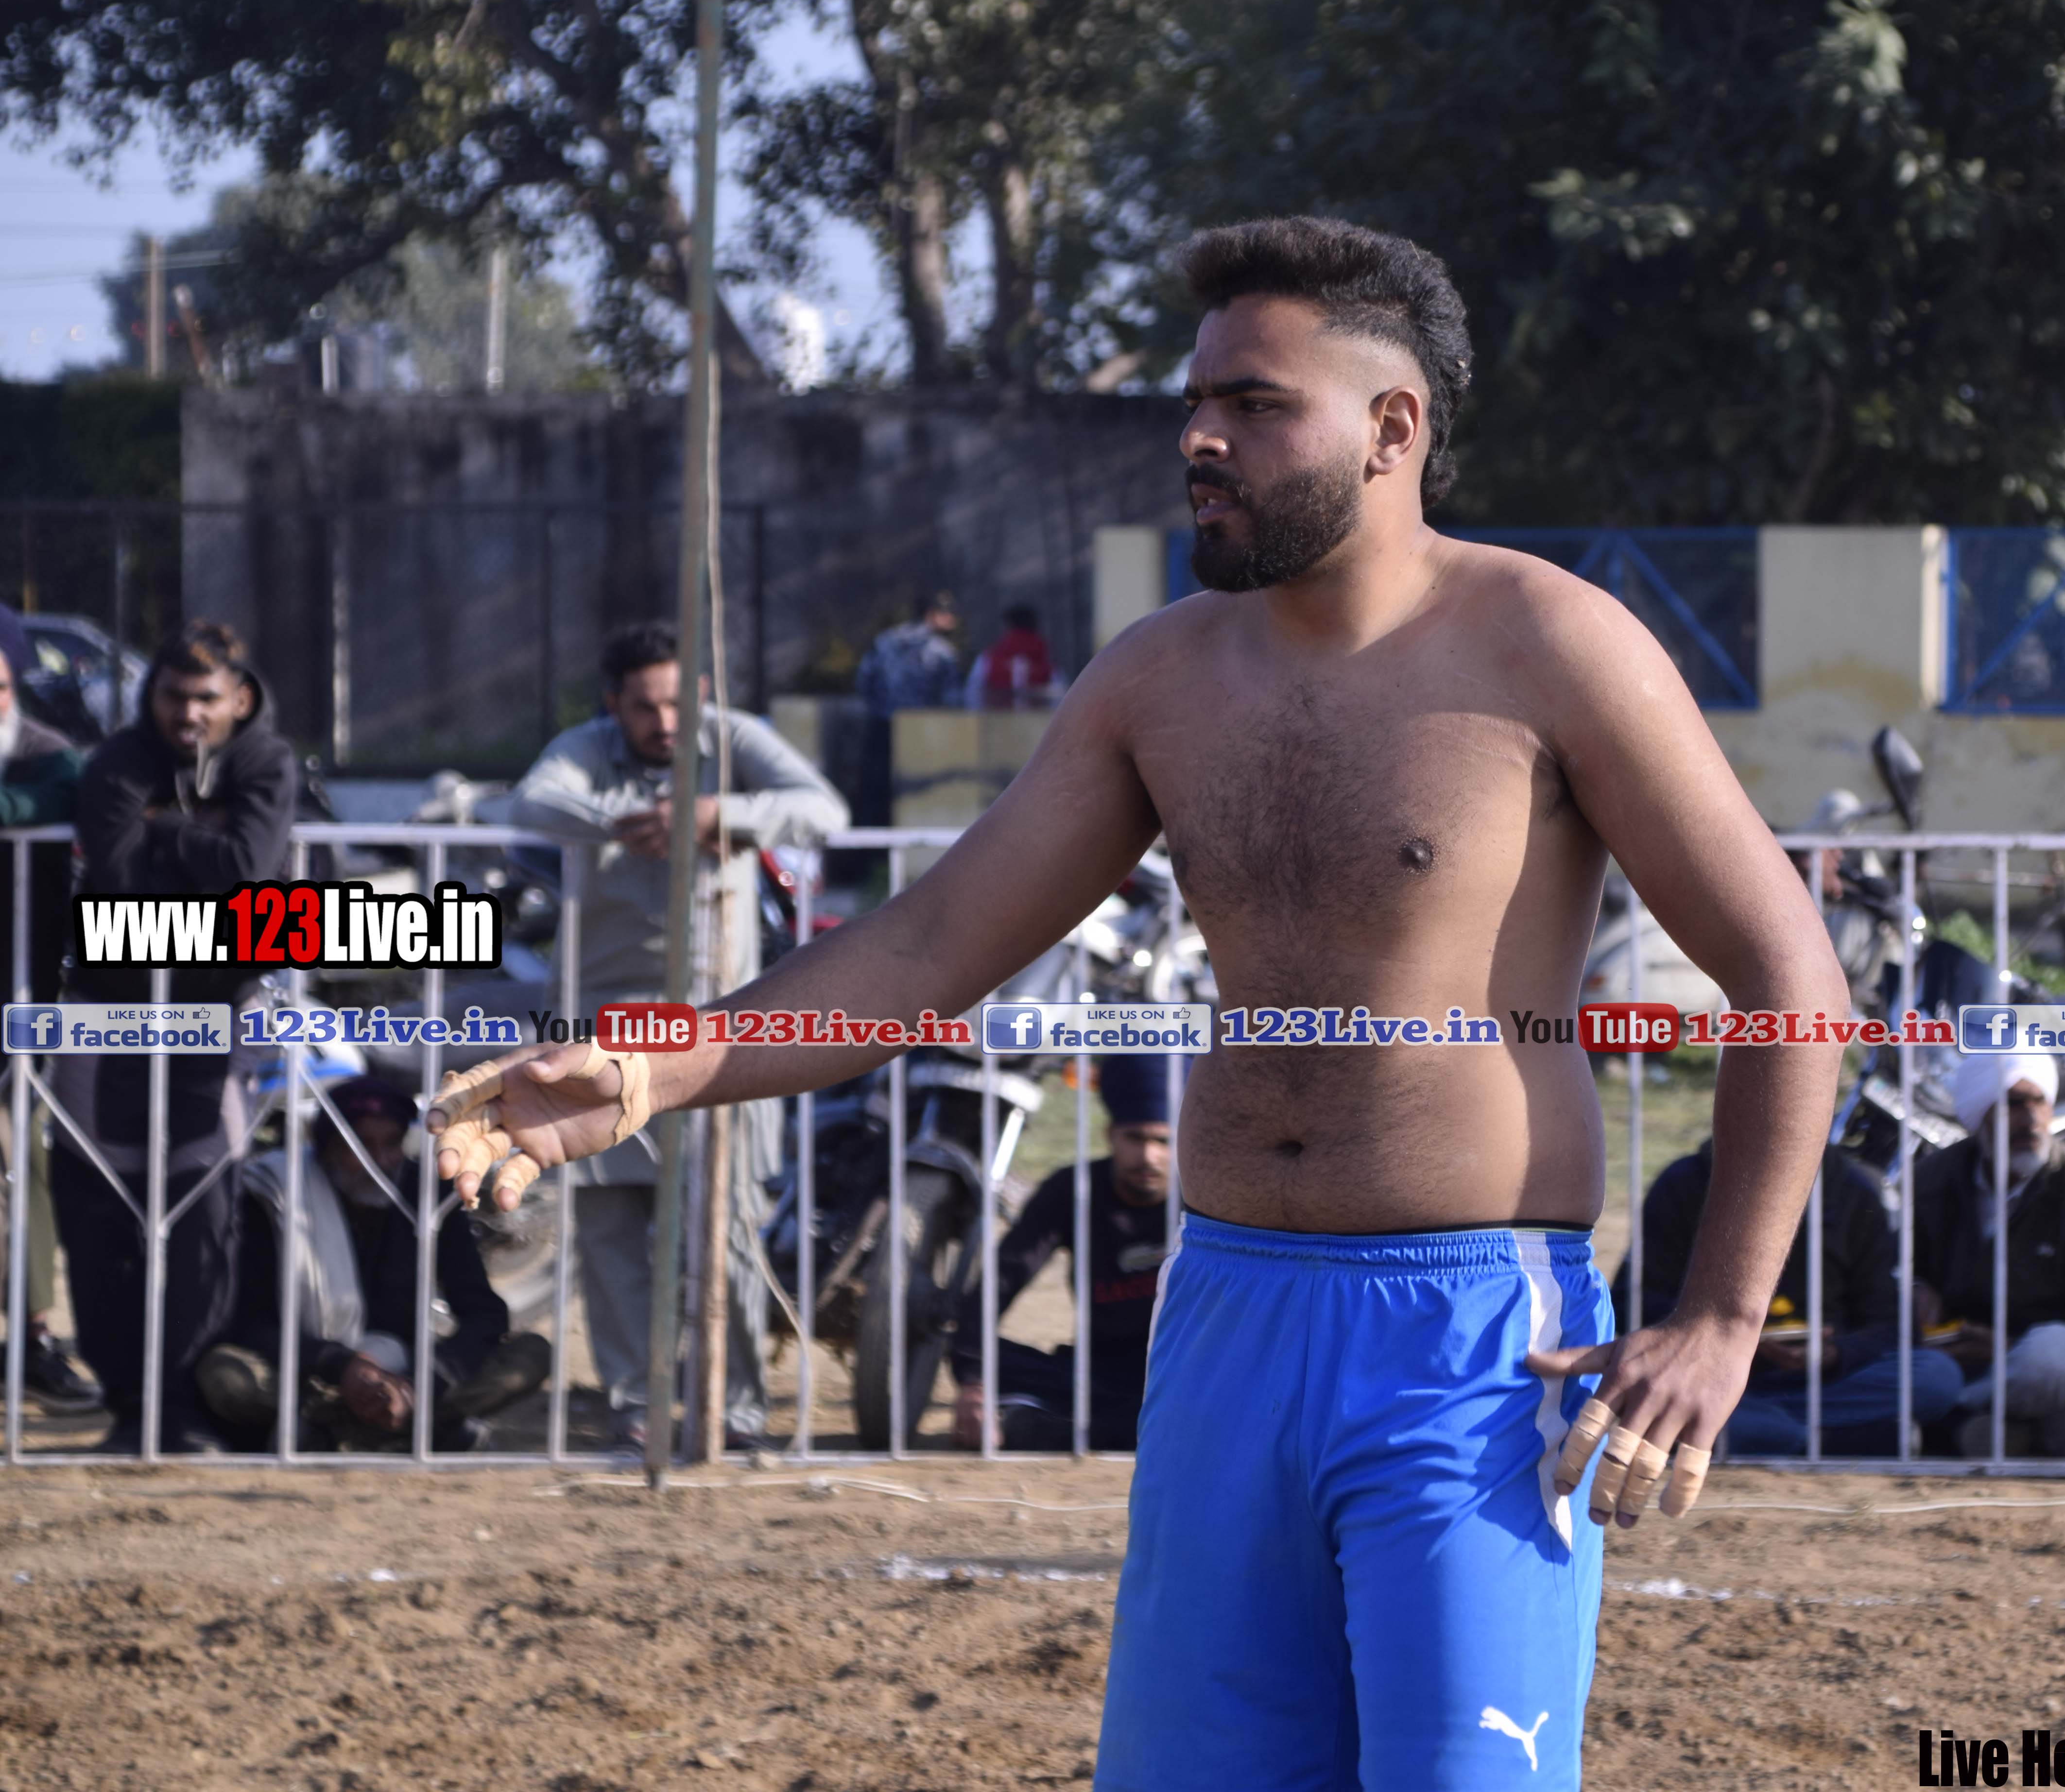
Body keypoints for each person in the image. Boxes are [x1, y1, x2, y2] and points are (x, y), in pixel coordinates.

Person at [430, 216, 1847, 1790]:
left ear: (1393, 429)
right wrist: (660, 1062)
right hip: (1226, 1318)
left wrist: (1722, 1321)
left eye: (1254, 404)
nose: (1199, 438)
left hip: (1471, 1347)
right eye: (1196, 402)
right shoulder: (1159, 677)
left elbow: (1791, 979)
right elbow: (933, 942)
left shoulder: (1552, 644)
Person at [508, 621, 848, 1453]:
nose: (664, 723)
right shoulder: (586, 749)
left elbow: (824, 809)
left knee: (725, 1223)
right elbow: (533, 801)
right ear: (612, 705)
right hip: (598, 1025)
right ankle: (637, 1407)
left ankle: (732, 1409)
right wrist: (634, 821)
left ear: (699, 693)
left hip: (715, 1027)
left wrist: (717, 814)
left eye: (675, 703)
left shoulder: (734, 739)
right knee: (610, 1223)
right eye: (643, 707)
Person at [58, 620, 296, 1451]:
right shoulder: (117, 762)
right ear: (150, 695)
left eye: (205, 699)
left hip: (217, 1013)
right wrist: (209, 852)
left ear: (239, 699)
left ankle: (189, 1406)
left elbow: (249, 873)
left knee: (205, 1211)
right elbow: (124, 896)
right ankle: (130, 1404)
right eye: (172, 696)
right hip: (109, 1012)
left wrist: (167, 831)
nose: (188, 714)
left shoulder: (267, 761)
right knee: (101, 1210)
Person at [196, 1075, 550, 1451]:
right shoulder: (277, 1196)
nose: (379, 1161)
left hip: (408, 1373)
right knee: (225, 1374)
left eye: (391, 1144)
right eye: (361, 1146)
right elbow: (249, 1321)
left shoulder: (426, 1196)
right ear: (326, 1147)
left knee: (531, 1355)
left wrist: (423, 1382)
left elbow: (483, 1313)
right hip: (308, 1373)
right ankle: (406, 1429)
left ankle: (356, 1426)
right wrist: (341, 1366)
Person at [1634, 1133, 1962, 1456]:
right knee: (1694, 1405)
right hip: (1713, 1382)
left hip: (1828, 1385)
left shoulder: (1853, 1192)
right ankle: (1822, 1439)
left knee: (1936, 1376)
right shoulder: (1685, 1183)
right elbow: (1633, 1302)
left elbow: (1890, 1326)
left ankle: (1780, 1434)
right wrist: (1719, 1330)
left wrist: (1835, 1354)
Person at [1910, 1048, 2065, 1459]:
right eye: (2012, 1105)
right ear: (1979, 1116)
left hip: (2062, 1398)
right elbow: (1886, 1283)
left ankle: (1956, 1420)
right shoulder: (1931, 1184)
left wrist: (2007, 1347)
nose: (2030, 1120)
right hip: (1951, 1369)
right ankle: (1990, 1431)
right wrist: (1916, 1290)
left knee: (2054, 1352)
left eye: (2038, 1102)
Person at [949, 1053, 1173, 1452]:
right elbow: (1002, 1279)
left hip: (1181, 1370)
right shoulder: (1072, 1190)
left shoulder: (1205, 1200)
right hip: (1094, 1370)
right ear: (1111, 1135)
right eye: (1136, 1138)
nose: (1148, 1157)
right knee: (980, 1353)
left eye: (1163, 1141)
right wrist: (974, 1383)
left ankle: (1044, 1427)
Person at [0, 609, 96, 1416]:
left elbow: (63, 794)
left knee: (27, 1159)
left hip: (24, 994)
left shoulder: (47, 751)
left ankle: (32, 1334)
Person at [849, 590, 962, 877]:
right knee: (916, 798)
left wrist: (882, 708)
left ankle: (869, 869)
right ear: (932, 614)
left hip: (881, 727)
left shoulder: (886, 640)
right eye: (947, 613)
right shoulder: (941, 651)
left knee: (875, 799)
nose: (952, 619)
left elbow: (863, 680)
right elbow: (952, 700)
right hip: (922, 735)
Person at [963, 602, 1065, 710]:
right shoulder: (1047, 661)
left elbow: (972, 694)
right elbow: (1060, 695)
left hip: (999, 716)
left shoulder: (989, 658)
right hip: (1039, 718)